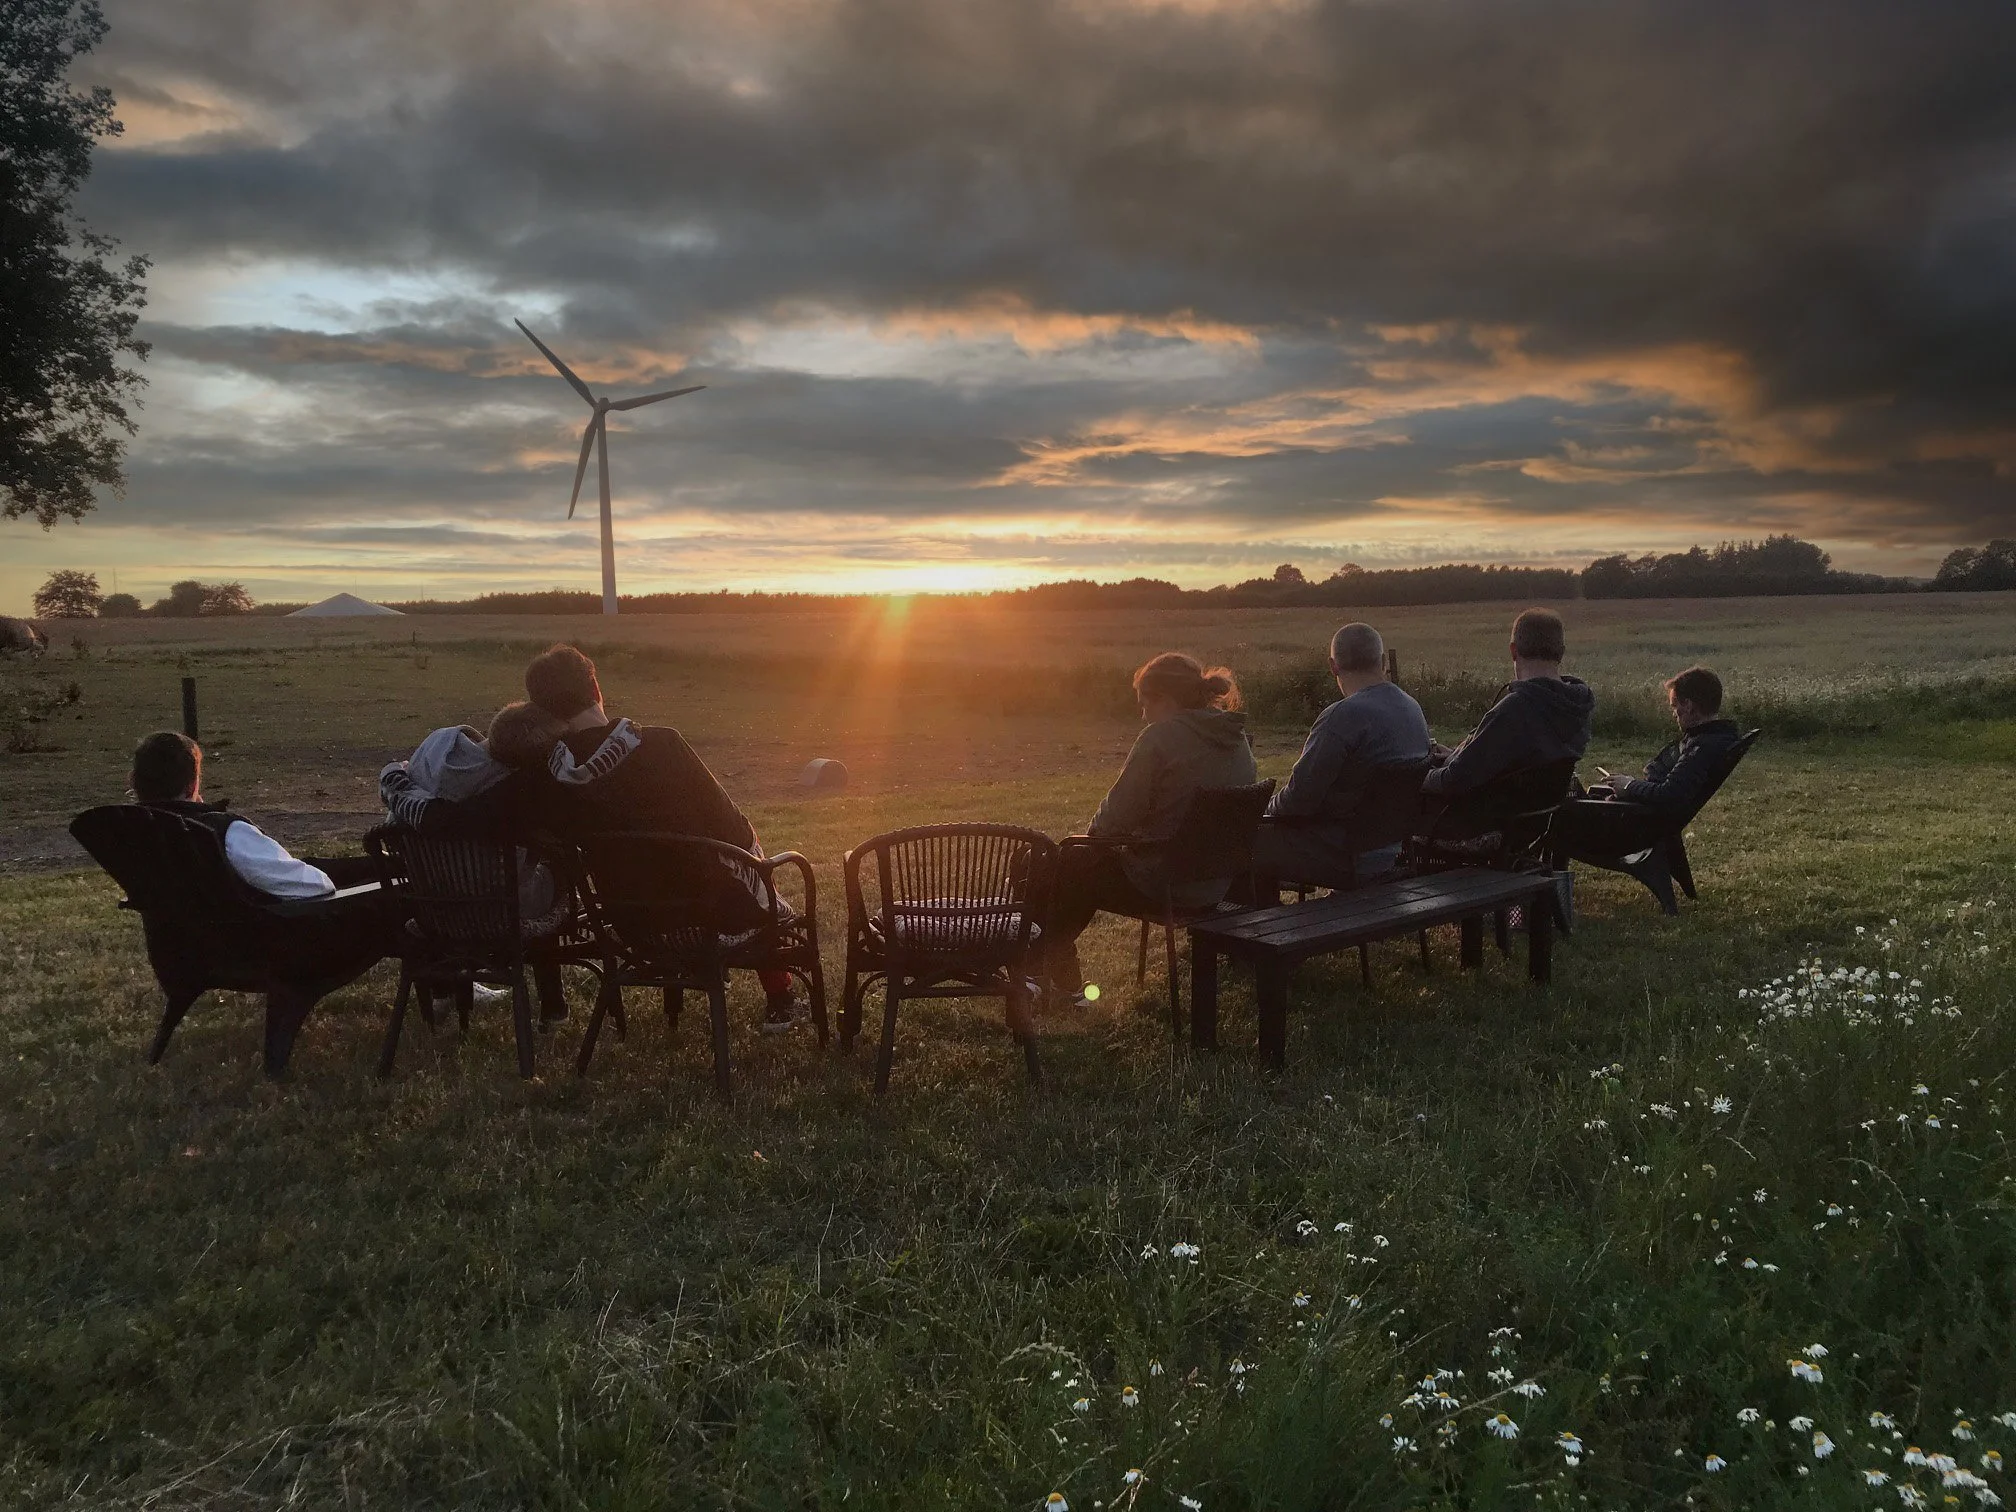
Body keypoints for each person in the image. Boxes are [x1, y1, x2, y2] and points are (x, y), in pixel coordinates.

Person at [520, 643, 807, 1031]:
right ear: (596, 689)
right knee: (752, 861)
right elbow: (731, 830)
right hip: (711, 916)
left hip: (631, 924)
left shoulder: (551, 775)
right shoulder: (662, 745)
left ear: (544, 709)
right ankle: (780, 997)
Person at [1042, 653, 1259, 1006]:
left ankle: (1046, 975)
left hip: (1163, 884)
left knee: (1059, 865)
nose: (1143, 714)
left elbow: (1112, 822)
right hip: (1214, 885)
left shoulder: (1160, 738)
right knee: (1062, 865)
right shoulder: (1237, 740)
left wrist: (1087, 844)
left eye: (1145, 705)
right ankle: (1051, 976)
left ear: (1165, 700)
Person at [126, 729, 388, 987]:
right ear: (192, 785)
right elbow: (318, 886)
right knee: (389, 887)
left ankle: (387, 864)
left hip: (180, 958)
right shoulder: (218, 833)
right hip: (266, 954)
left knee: (316, 864)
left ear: (136, 783)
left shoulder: (133, 836)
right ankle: (398, 869)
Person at [1251, 622, 1430, 890]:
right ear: (1382, 662)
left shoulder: (1342, 716)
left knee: (1240, 839)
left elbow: (1299, 800)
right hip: (1393, 852)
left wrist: (1261, 811)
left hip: (1345, 856)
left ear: (1333, 666)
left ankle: (1242, 929)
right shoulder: (1411, 707)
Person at [1422, 608, 1594, 800]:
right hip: (1539, 815)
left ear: (1513, 650)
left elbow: (1454, 780)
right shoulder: (1576, 704)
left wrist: (1420, 776)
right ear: (1561, 653)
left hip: (1492, 818)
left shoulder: (1514, 710)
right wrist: (1457, 754)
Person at [1577, 666, 1740, 854]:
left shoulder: (1702, 747)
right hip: (1648, 818)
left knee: (1561, 816)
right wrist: (1630, 787)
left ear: (1688, 705)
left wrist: (1630, 786)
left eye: (1674, 705)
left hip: (1640, 830)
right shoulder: (1714, 738)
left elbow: (1669, 793)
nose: (1674, 713)